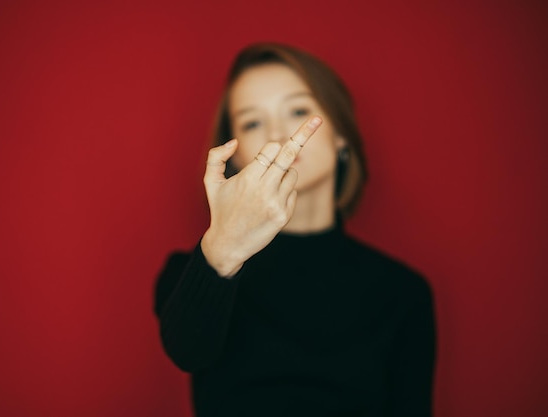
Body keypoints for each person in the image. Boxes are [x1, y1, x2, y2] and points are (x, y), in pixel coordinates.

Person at [154, 43, 436, 417]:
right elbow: (188, 351)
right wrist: (222, 249)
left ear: (341, 135)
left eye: (299, 111)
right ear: (236, 156)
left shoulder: (402, 292)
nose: (277, 134)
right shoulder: (195, 269)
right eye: (252, 122)